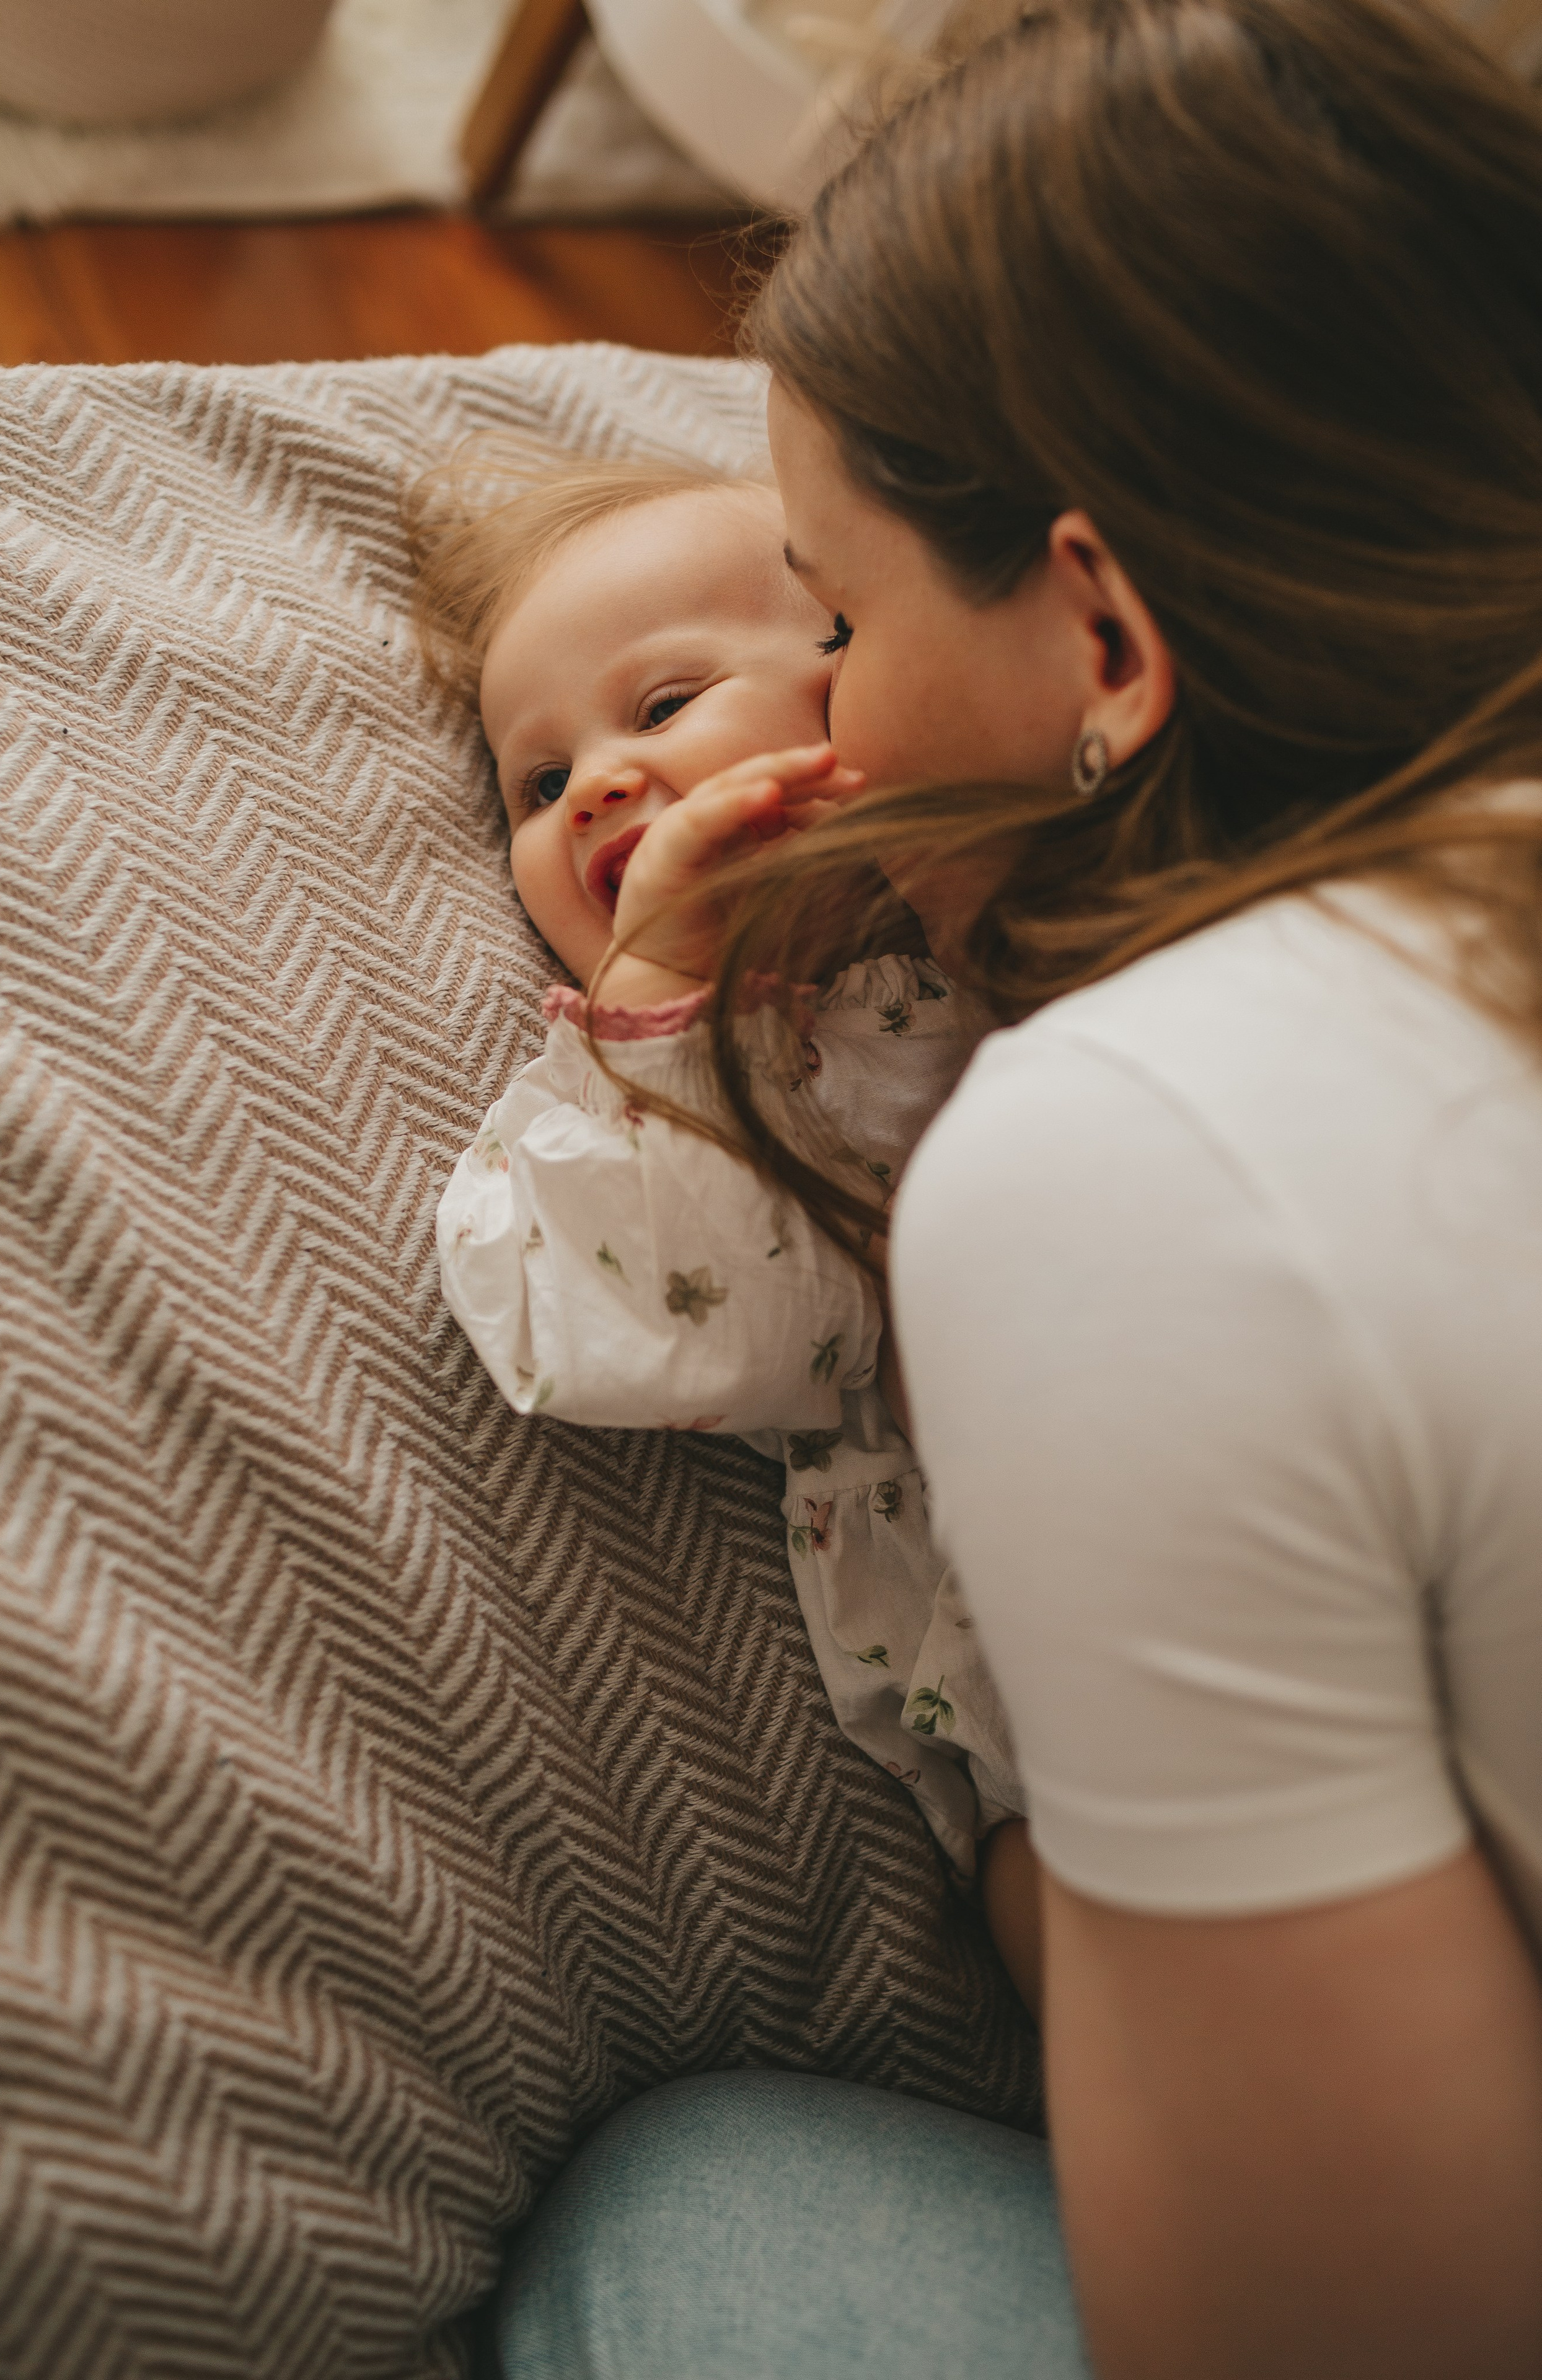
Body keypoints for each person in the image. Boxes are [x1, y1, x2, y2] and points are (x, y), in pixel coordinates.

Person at [491, 2, 1542, 2375]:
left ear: (1105, 635)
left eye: (836, 624)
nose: (832, 726)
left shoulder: (1132, 1153)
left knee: (695, 2215)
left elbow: (1360, 2326)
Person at [417, 464, 1030, 1940]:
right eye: (541, 783)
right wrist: (666, 1000)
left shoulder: (1006, 903)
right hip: (1012, 1671)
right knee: (1043, 1901)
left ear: (861, 685)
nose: (600, 785)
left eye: (666, 701)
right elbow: (687, 1331)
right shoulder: (622, 1096)